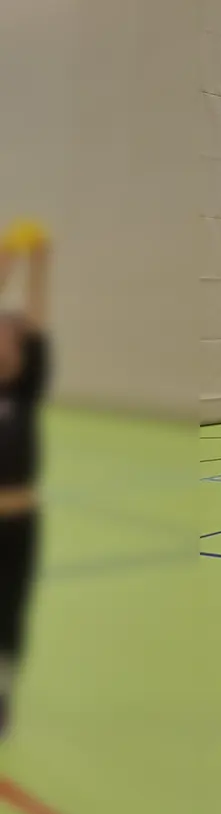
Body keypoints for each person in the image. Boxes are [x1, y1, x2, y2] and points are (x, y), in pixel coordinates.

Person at [0, 234, 48, 740]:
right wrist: (7, 263)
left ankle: (3, 693)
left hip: (22, 522)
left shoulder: (26, 390)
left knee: (12, 612)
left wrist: (39, 268)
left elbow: (35, 329)